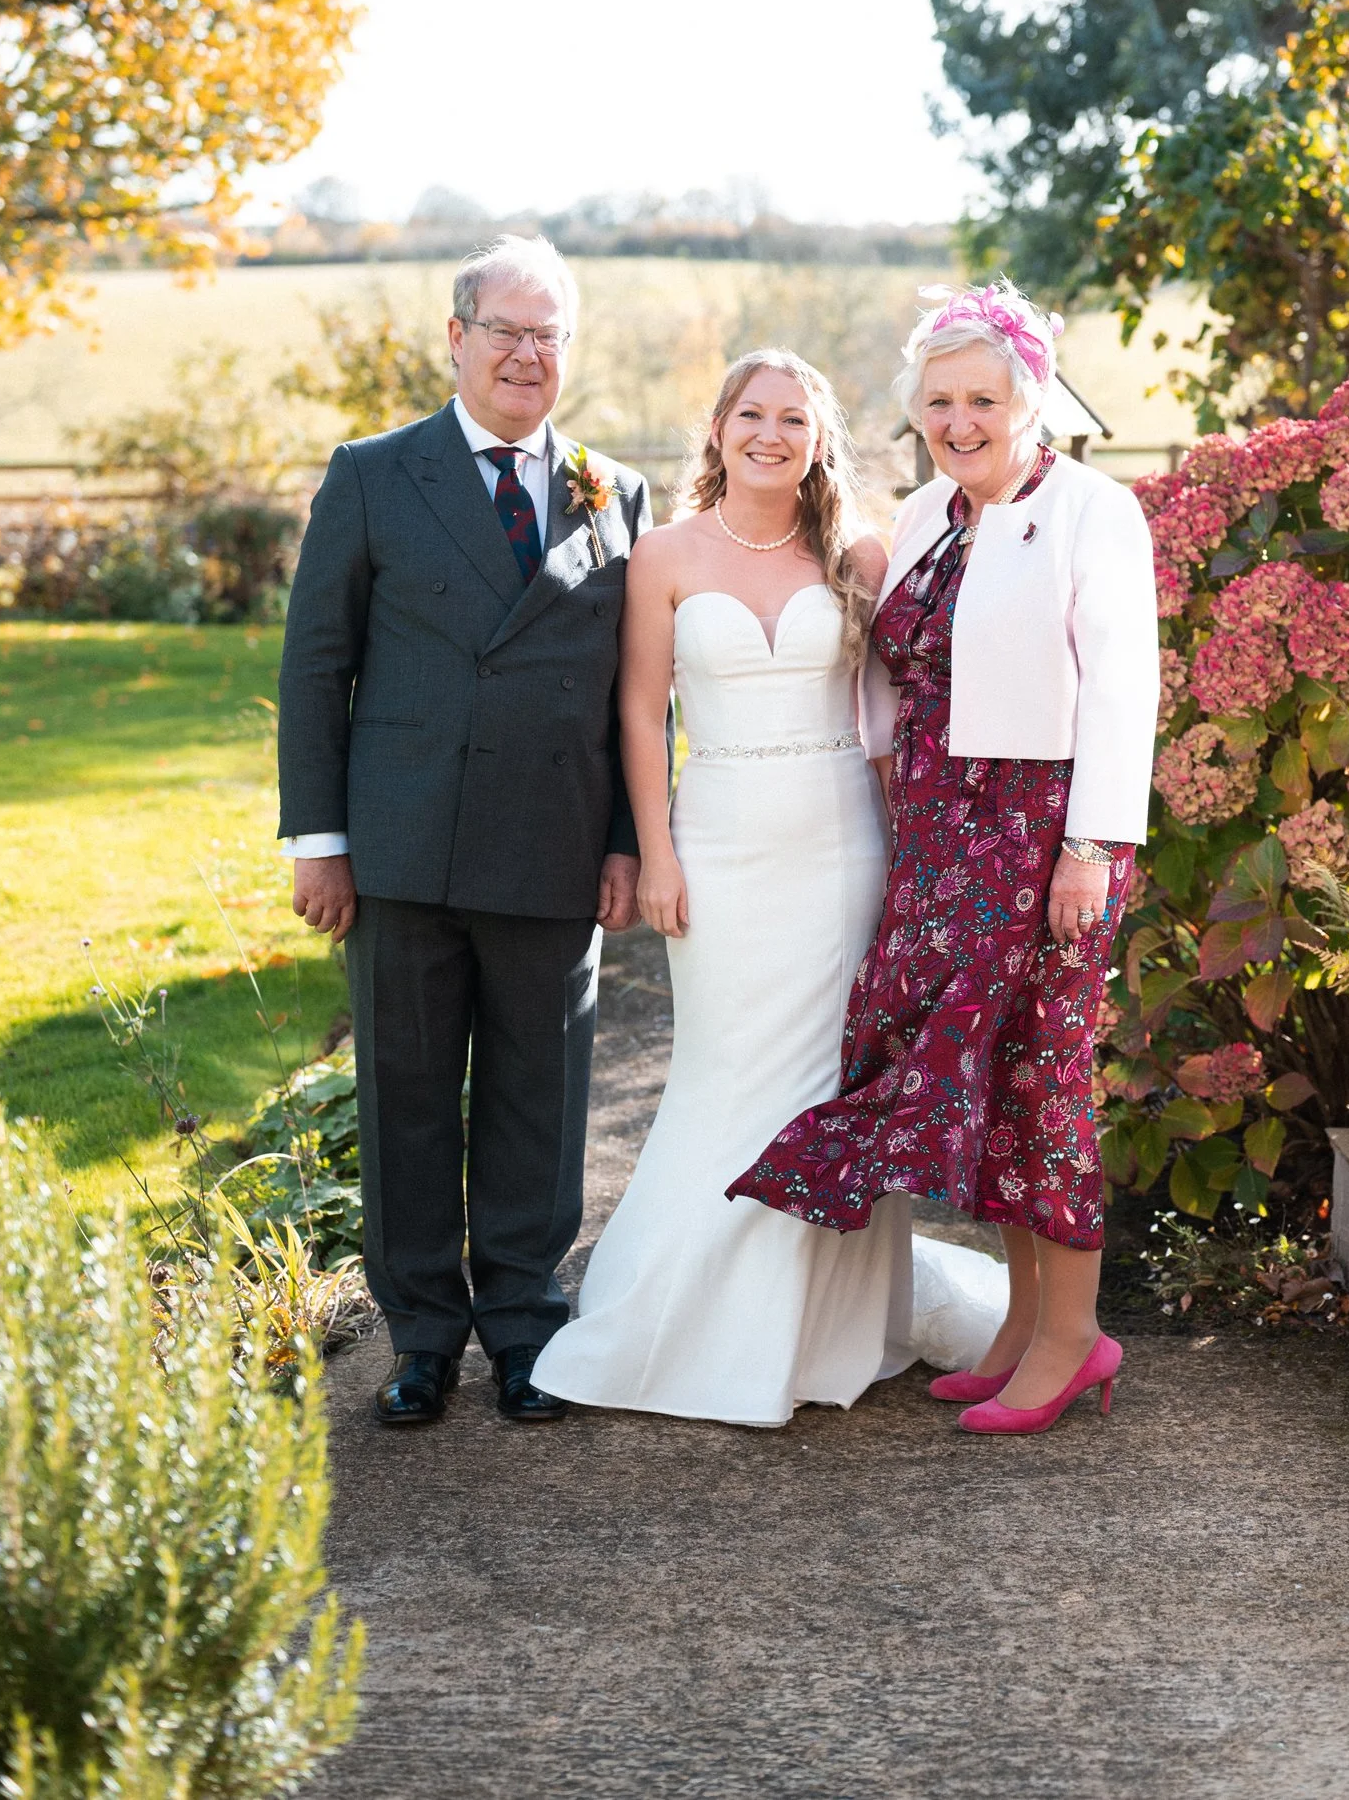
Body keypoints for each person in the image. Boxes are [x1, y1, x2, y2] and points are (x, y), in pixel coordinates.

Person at [533, 350, 1006, 1426]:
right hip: (717, 838)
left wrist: (919, 862)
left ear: (816, 437)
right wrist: (655, 851)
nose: (770, 433)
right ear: (716, 428)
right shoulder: (661, 555)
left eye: (793, 418)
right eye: (752, 413)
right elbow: (638, 711)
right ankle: (685, 1320)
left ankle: (823, 1332)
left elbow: (891, 721)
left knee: (822, 1085)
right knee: (723, 1071)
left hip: (841, 846)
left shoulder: (856, 551)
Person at [731, 283, 1159, 1436]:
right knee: (985, 1078)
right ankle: (1022, 1326)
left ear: (1029, 399)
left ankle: (1072, 1338)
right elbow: (890, 666)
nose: (959, 419)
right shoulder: (927, 513)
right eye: (939, 400)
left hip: (1040, 834)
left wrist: (1088, 850)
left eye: (983, 397)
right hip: (937, 838)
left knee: (1044, 1082)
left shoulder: (1089, 510)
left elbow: (1122, 694)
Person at [277, 233, 650, 1428]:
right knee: (407, 1095)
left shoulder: (614, 490)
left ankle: (528, 1333)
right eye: (507, 330)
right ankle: (424, 1336)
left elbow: (636, 695)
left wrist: (628, 840)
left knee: (541, 1104)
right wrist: (317, 842)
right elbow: (315, 668)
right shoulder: (374, 475)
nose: (528, 354)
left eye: (550, 335)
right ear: (456, 338)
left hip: (549, 847)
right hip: (401, 849)